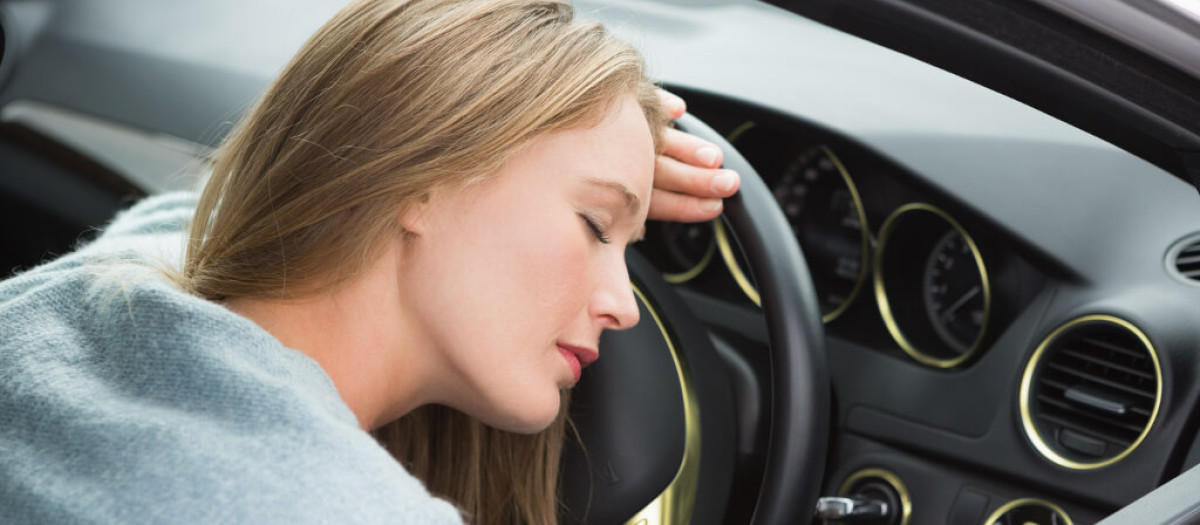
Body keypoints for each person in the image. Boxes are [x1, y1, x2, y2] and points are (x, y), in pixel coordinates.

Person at [0, 1, 738, 524]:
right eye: (593, 224)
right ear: (419, 178)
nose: (625, 302)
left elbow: (224, 210)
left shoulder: (111, 282)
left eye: (626, 246)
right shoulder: (322, 505)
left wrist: (607, 157)